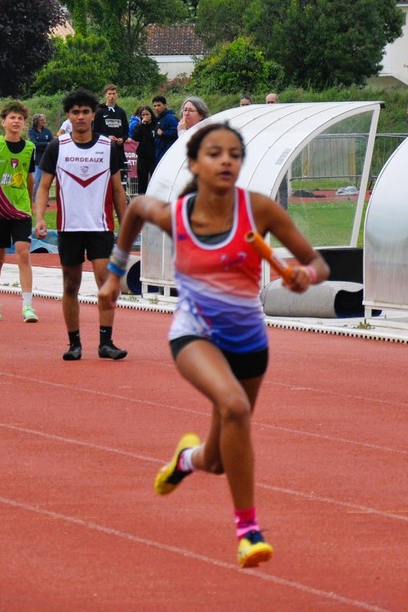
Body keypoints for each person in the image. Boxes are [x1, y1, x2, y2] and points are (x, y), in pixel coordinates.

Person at [101, 121, 329, 567]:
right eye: (214, 153)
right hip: (196, 335)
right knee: (235, 407)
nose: (226, 161)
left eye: (234, 155)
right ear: (194, 164)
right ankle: (248, 531)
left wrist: (306, 275)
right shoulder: (176, 216)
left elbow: (316, 263)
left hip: (249, 342)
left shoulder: (258, 209)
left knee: (219, 459)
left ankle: (187, 460)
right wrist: (114, 273)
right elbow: (135, 210)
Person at [34, 88, 130, 361]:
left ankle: (106, 342)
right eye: (75, 112)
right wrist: (39, 218)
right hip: (69, 228)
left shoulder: (108, 147)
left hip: (100, 227)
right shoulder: (57, 147)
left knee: (106, 284)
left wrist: (126, 225)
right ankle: (74, 343)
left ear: (93, 115)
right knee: (70, 285)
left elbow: (118, 190)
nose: (80, 117)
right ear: (68, 115)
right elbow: (44, 187)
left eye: (85, 112)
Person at [0, 101, 40, 323]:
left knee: (24, 254)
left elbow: (30, 178)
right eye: (12, 118)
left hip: (21, 209)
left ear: (24, 123)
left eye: (20, 118)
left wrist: (31, 204)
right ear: (3, 122)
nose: (16, 121)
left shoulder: (30, 148)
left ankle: (28, 306)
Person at [129, 104, 158, 195]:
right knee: (142, 180)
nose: (145, 116)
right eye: (143, 115)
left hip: (153, 156)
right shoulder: (139, 126)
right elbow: (135, 137)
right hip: (142, 156)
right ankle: (141, 197)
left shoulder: (156, 125)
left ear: (151, 115)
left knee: (155, 178)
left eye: (147, 114)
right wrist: (142, 125)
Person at [151, 95, 180, 165]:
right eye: (155, 106)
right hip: (159, 151)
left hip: (167, 151)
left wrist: (163, 133)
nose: (156, 108)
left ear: (165, 105)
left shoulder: (170, 118)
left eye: (159, 105)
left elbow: (177, 132)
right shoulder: (158, 118)